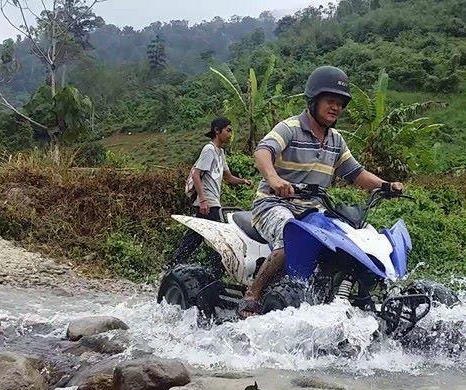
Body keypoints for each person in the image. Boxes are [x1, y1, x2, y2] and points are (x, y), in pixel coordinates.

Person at [238, 66, 404, 318]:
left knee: (351, 239)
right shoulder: (290, 128)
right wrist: (274, 179)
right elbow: (263, 151)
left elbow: (356, 173)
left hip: (312, 212)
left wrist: (385, 185)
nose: (335, 107)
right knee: (288, 233)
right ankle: (253, 296)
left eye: (340, 103)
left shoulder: (336, 140)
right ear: (314, 100)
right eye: (330, 101)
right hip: (273, 205)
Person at [167, 117, 250, 268]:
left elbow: (228, 177)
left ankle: (173, 265)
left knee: (196, 237)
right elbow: (196, 175)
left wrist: (244, 181)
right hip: (209, 201)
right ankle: (214, 271)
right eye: (228, 130)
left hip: (211, 201)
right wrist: (203, 200)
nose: (230, 134)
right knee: (221, 238)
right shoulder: (209, 149)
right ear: (217, 131)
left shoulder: (220, 153)